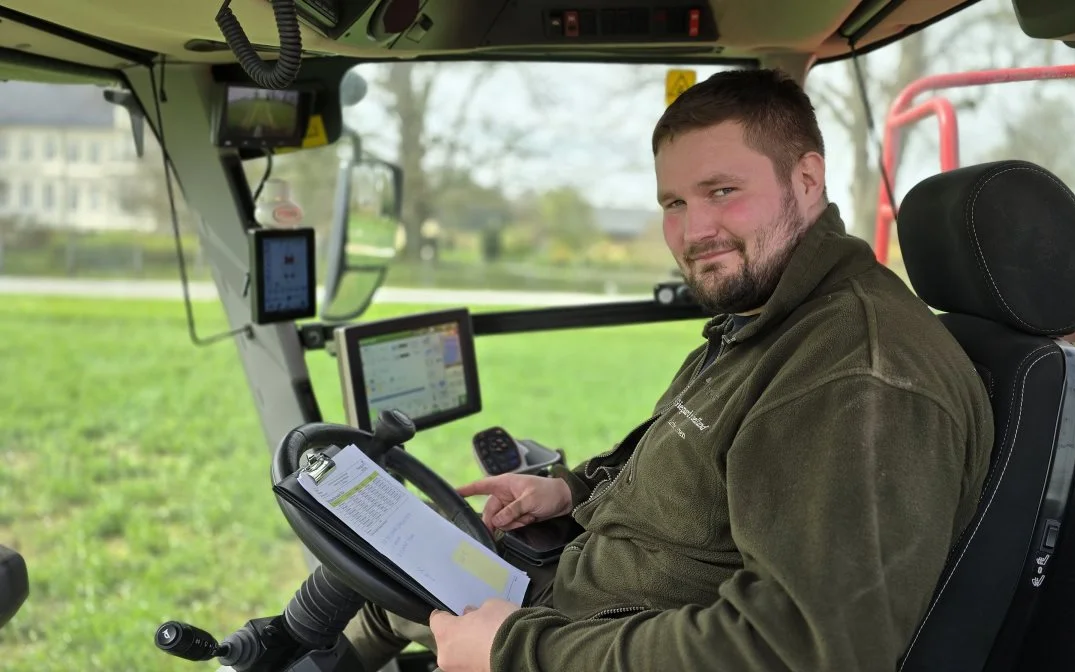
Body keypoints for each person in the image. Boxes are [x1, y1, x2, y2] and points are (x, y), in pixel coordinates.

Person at [343, 67, 995, 672]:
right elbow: (689, 464)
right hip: (570, 601)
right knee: (381, 584)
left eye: (722, 192)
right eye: (674, 204)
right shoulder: (767, 318)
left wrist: (517, 652)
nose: (693, 230)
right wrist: (571, 492)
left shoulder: (858, 375)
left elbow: (801, 650)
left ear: (807, 179)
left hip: (568, 638)